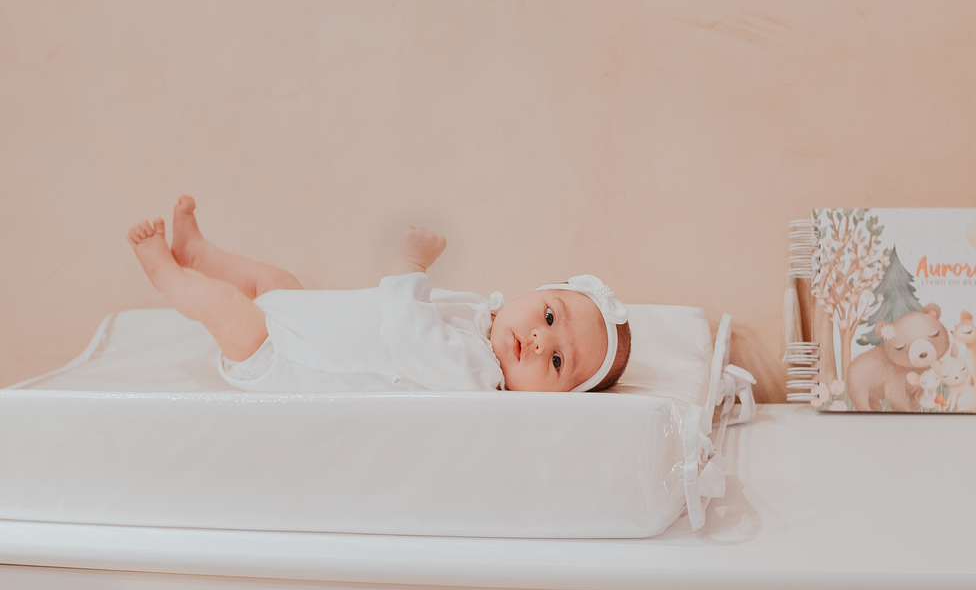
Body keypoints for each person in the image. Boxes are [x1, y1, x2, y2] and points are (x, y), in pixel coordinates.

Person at [128, 196, 631, 393]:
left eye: (560, 361)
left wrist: (410, 266)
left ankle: (165, 273)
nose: (541, 341)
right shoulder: (482, 317)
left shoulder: (476, 375)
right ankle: (198, 253)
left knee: (228, 308)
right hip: (301, 319)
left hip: (286, 357)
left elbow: (407, 334)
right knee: (273, 281)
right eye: (548, 315)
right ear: (535, 291)